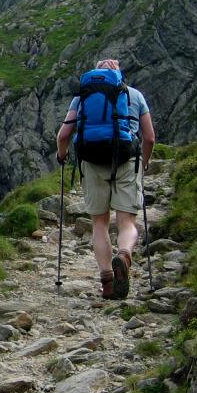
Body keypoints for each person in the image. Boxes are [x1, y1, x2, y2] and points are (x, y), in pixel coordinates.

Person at [56, 59, 156, 299]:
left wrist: (62, 155)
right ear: (119, 76)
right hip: (126, 160)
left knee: (99, 224)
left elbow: (64, 135)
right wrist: (144, 162)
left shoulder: (81, 98)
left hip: (92, 163)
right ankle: (124, 255)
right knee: (127, 222)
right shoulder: (134, 95)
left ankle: (108, 282)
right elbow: (150, 138)